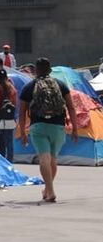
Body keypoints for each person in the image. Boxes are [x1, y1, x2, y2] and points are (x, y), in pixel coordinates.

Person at [18, 57, 78, 203]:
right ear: (50, 70)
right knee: (53, 159)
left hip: (38, 126)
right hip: (58, 126)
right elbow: (71, 107)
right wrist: (75, 128)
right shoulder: (61, 85)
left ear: (36, 71)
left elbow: (22, 111)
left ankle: (49, 190)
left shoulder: (29, 87)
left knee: (44, 159)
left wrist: (22, 131)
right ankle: (48, 189)